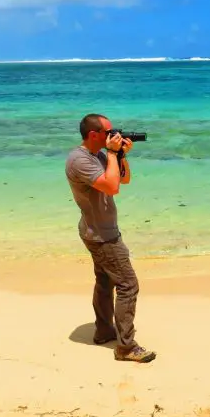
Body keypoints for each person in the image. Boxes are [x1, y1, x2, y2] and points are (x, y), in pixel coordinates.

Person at [65, 113, 156, 363]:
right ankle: (126, 347)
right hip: (102, 235)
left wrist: (122, 155)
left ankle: (104, 331)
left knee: (105, 283)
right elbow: (111, 187)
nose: (112, 135)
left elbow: (123, 179)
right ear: (93, 135)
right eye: (108, 132)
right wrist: (114, 154)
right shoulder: (78, 160)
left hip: (99, 230)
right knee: (128, 285)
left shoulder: (99, 155)